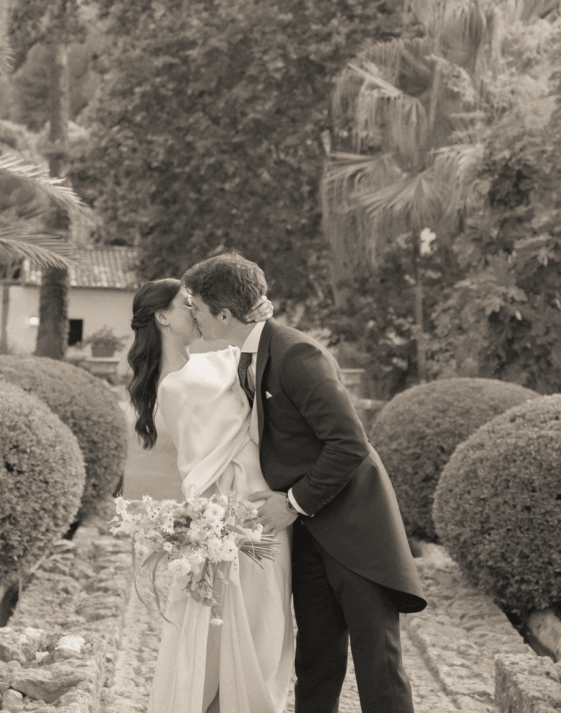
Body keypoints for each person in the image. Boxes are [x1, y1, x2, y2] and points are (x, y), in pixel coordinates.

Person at [183, 251, 427, 713]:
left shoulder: (296, 353)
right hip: (311, 541)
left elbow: (350, 443)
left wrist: (292, 504)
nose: (191, 313)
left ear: (224, 314)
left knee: (378, 665)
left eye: (194, 305)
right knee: (315, 662)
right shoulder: (247, 356)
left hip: (356, 531)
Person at [127, 278, 295, 713]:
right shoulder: (182, 382)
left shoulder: (208, 366)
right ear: (163, 317)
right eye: (188, 305)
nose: (198, 311)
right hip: (241, 519)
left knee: (251, 635)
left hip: (245, 517)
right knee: (243, 637)